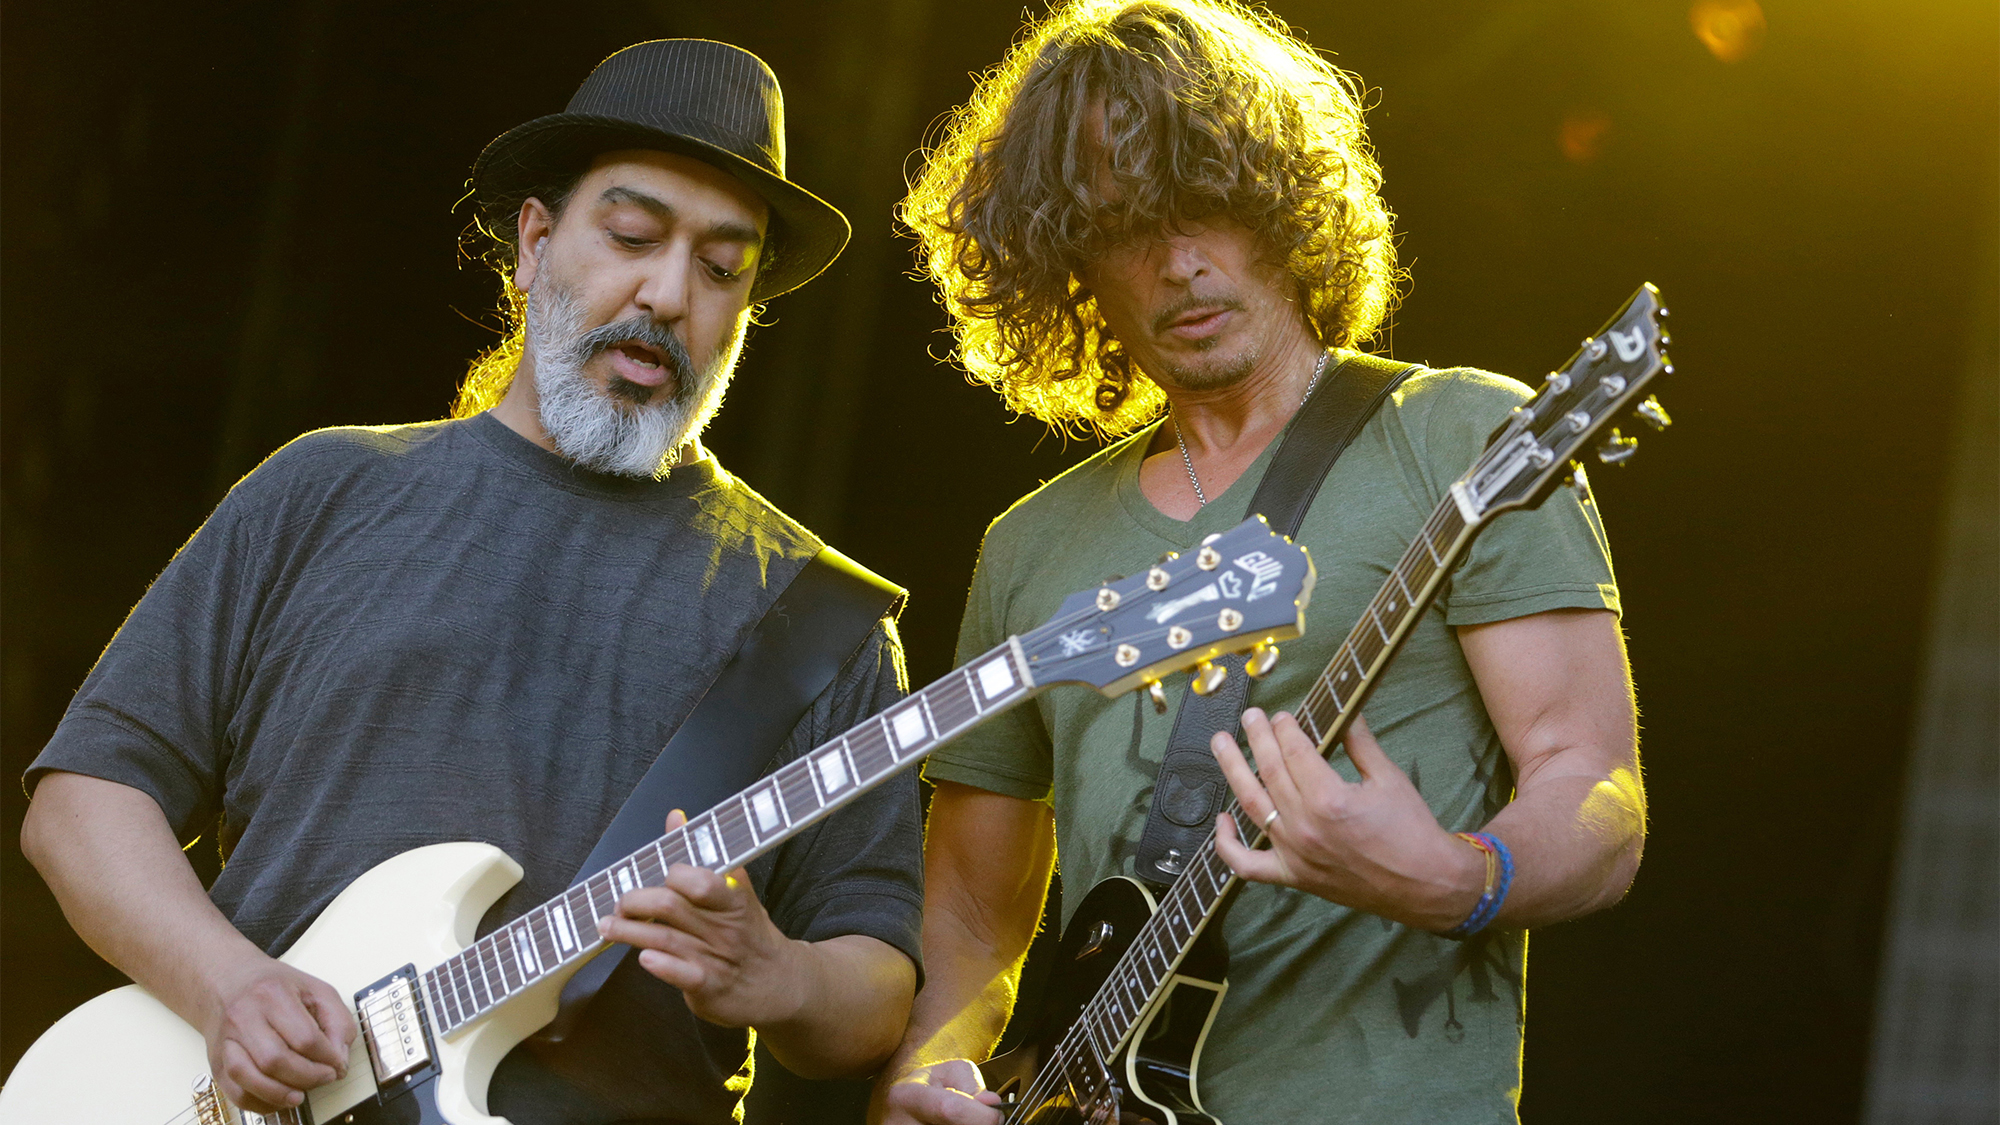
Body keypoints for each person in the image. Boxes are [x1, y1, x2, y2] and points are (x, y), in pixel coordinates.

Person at [20, 40, 922, 1125]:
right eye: (632, 236)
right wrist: (231, 987)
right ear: (535, 244)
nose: (669, 292)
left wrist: (775, 974)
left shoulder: (814, 618)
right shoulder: (325, 488)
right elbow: (84, 801)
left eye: (723, 268)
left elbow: (874, 992)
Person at [874, 3, 1645, 1122]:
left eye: (1211, 210)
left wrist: (1455, 878)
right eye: (1124, 225)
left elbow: (1595, 790)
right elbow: (966, 926)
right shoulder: (1029, 545)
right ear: (1063, 257)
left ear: (1283, 203)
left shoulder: (1457, 438)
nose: (1179, 264)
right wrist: (915, 1082)